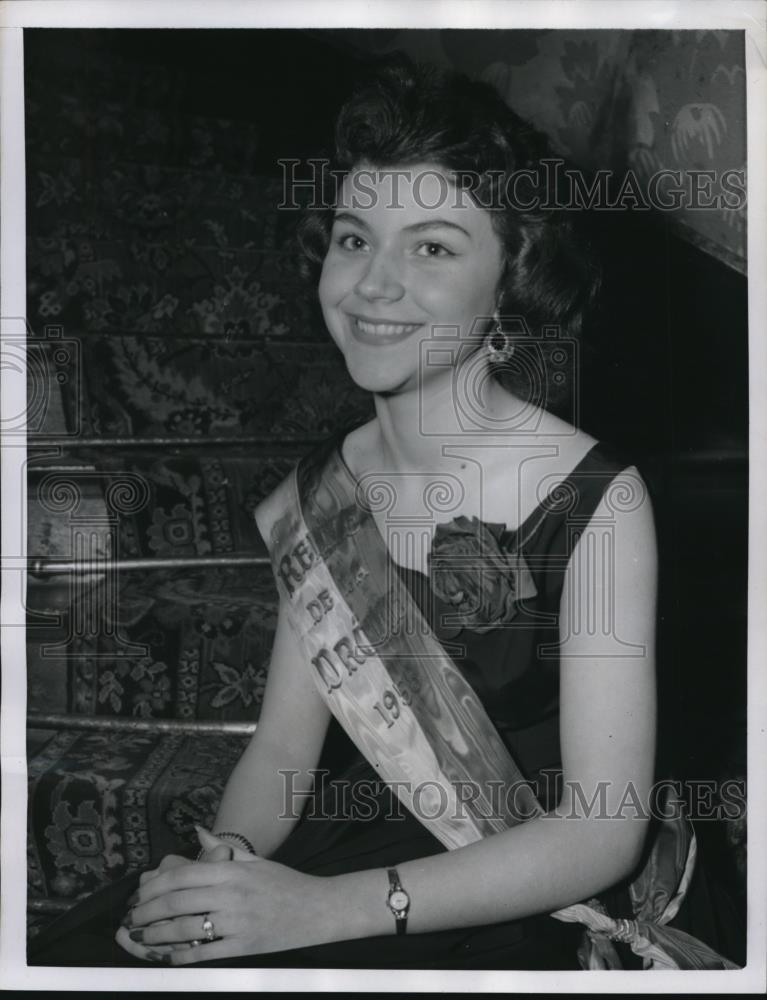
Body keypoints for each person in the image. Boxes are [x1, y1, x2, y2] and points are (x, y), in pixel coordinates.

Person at [29, 55, 739, 971]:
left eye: (433, 247)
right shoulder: (323, 486)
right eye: (355, 237)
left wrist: (320, 913)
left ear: (509, 285)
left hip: (529, 891)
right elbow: (284, 752)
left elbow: (599, 835)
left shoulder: (596, 500)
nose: (372, 284)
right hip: (364, 851)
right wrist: (222, 869)